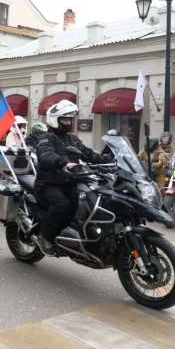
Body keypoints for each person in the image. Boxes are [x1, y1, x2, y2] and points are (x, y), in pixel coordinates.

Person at [34, 100, 111, 256]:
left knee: (89, 202)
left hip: (70, 182)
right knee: (62, 205)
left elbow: (87, 153)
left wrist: (108, 160)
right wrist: (64, 162)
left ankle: (77, 235)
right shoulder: (46, 138)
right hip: (48, 183)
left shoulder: (72, 139)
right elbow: (46, 155)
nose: (69, 123)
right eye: (65, 119)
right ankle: (44, 237)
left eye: (70, 119)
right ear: (55, 120)